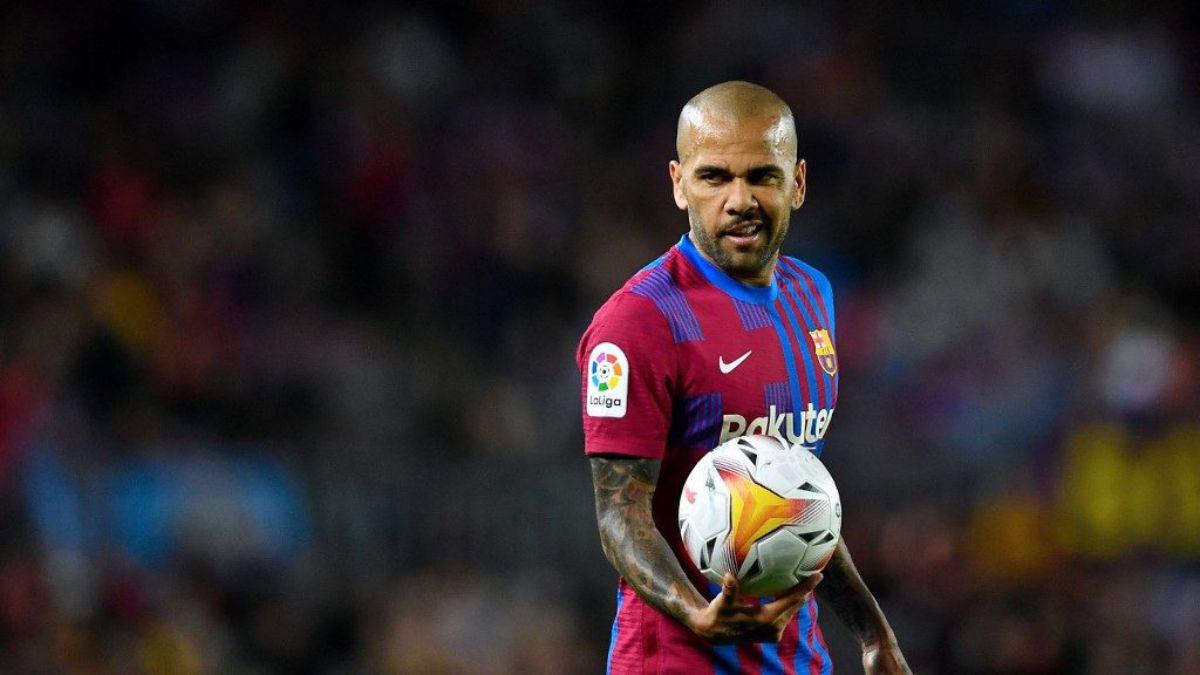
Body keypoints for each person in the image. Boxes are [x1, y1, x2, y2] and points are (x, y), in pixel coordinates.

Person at [578, 81, 911, 674]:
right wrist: (695, 612)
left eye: (762, 176)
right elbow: (619, 515)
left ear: (797, 183)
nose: (740, 200)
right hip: (675, 661)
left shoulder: (812, 295)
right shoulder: (638, 321)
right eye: (714, 177)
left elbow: (797, 497)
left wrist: (873, 634)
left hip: (797, 658)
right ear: (679, 183)